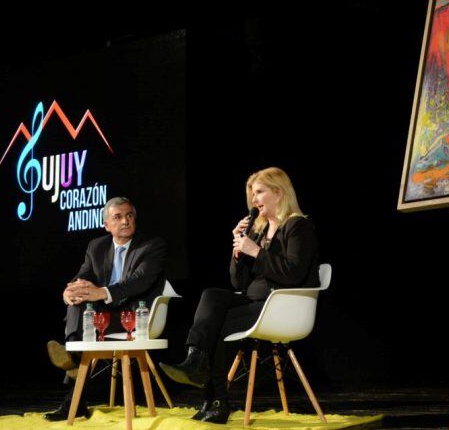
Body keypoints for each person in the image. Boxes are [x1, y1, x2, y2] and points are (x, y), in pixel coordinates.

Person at [160, 167, 320, 424]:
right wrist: (237, 255)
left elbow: (294, 274)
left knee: (217, 325)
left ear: (278, 192)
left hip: (281, 306)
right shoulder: (258, 229)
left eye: (259, 192)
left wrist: (256, 252)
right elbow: (239, 283)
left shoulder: (298, 226)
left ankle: (214, 398)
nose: (254, 200)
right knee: (212, 296)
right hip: (256, 300)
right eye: (252, 193)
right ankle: (195, 358)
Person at [44, 196, 168, 421]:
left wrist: (101, 292)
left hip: (135, 318)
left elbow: (139, 281)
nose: (125, 221)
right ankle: (73, 354)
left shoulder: (152, 245)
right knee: (78, 303)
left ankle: (72, 359)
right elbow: (83, 276)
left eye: (129, 216)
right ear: (106, 225)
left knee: (87, 306)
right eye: (117, 217)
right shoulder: (97, 246)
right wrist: (69, 292)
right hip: (105, 317)